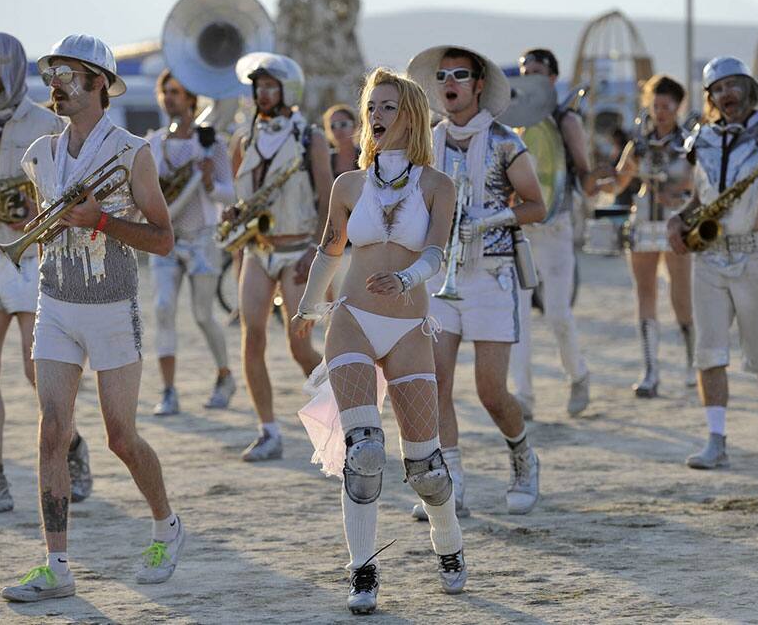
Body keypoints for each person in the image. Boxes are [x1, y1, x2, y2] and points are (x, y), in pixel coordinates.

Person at [1, 34, 182, 602]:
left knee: (120, 438)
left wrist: (101, 221)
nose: (54, 82)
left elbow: (164, 240)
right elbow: (44, 227)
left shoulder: (133, 152)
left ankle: (166, 526)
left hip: (112, 307)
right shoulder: (39, 155)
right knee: (51, 432)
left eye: (67, 73)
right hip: (53, 303)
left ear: (99, 82)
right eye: (51, 72)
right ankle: (56, 564)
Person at [291, 67, 466, 615]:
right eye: (372, 108)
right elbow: (330, 248)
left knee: (425, 468)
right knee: (364, 453)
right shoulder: (349, 185)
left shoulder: (439, 186)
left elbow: (437, 254)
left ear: (410, 116)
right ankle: (362, 572)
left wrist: (408, 279)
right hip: (354, 318)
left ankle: (450, 547)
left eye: (388, 107)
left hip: (410, 326)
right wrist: (307, 305)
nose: (376, 117)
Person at [0, 32, 91, 514]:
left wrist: (33, 208)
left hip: (31, 257)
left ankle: (72, 449)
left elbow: (67, 194)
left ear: (13, 64)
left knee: (38, 373)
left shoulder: (48, 125)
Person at [406, 45, 545, 519]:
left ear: (479, 84)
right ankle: (452, 482)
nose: (450, 82)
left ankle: (523, 458)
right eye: (442, 75)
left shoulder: (507, 141)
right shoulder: (426, 143)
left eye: (460, 75)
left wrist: (490, 219)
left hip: (491, 275)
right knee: (437, 381)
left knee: (491, 391)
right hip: (443, 274)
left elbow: (537, 206)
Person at [666, 57, 758, 469]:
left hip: (754, 252)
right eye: (717, 88)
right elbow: (704, 196)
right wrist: (680, 219)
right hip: (710, 255)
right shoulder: (704, 139)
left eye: (733, 85)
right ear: (710, 97)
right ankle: (716, 440)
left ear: (749, 89)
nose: (726, 94)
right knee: (709, 350)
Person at [228, 52, 332, 461]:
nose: (264, 93)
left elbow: (328, 200)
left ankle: (342, 407)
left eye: (271, 85)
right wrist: (235, 213)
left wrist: (317, 250)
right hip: (258, 249)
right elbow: (243, 195)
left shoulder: (311, 138)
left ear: (288, 89)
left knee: (299, 346)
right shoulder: (243, 138)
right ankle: (268, 429)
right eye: (259, 85)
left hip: (299, 248)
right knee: (251, 337)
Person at [508, 48, 593, 418]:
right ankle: (524, 397)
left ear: (553, 78)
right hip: (522, 229)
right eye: (526, 71)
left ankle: (578, 374)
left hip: (556, 226)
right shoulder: (514, 121)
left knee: (558, 313)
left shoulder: (565, 119)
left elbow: (585, 173)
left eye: (538, 72)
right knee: (518, 316)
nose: (531, 77)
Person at [146, 69, 236, 416]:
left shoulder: (212, 143)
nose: (170, 98)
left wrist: (210, 182)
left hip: (201, 238)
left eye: (178, 92)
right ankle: (168, 390)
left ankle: (225, 375)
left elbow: (230, 194)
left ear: (191, 99)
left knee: (202, 313)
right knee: (163, 308)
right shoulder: (153, 143)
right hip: (165, 238)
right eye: (166, 91)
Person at [614, 74, 695, 396]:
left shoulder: (689, 144)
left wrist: (677, 191)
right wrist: (600, 179)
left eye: (666, 106)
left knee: (681, 296)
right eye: (655, 105)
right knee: (645, 293)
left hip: (677, 221)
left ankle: (692, 361)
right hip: (644, 220)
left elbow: (699, 181)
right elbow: (621, 180)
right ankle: (650, 370)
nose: (660, 112)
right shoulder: (640, 144)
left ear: (677, 107)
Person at [323, 103, 360, 178]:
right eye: (333, 126)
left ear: (355, 125)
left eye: (343, 124)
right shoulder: (326, 160)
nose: (338, 130)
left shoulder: (367, 156)